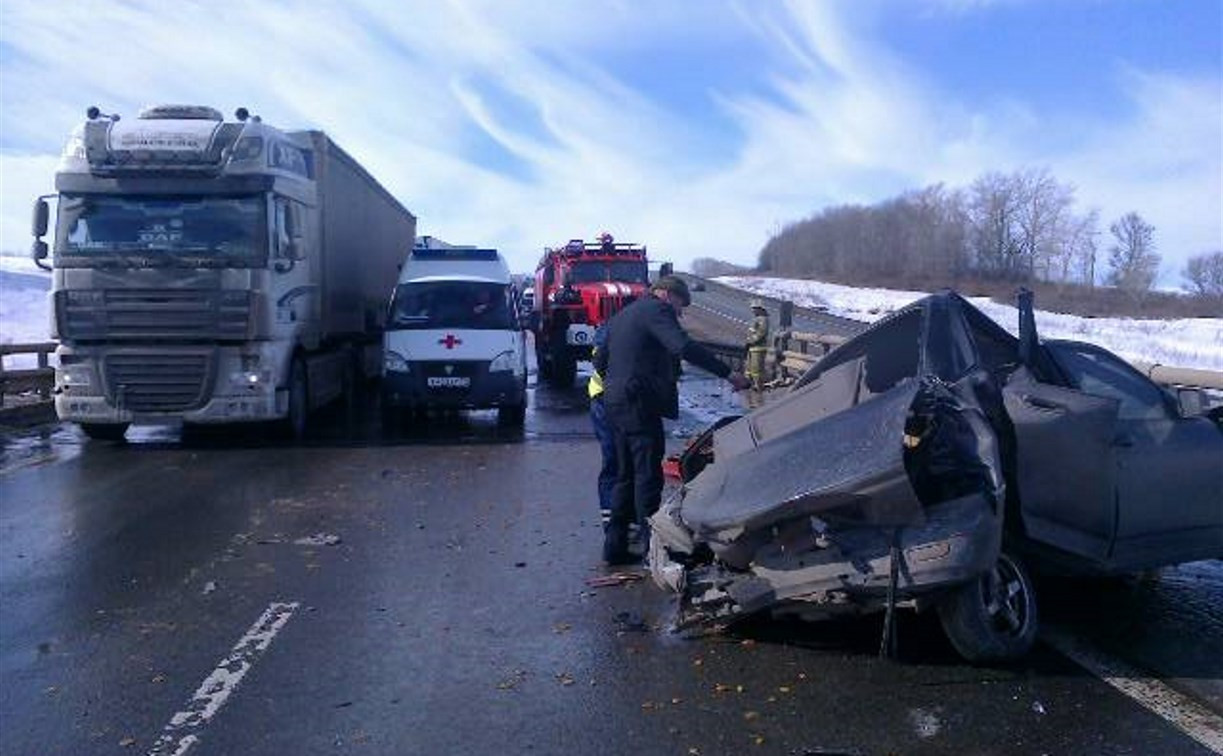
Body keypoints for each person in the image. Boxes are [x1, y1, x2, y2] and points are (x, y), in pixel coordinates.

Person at [594, 275, 751, 565]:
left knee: (625, 474)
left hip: (613, 401)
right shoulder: (656, 310)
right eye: (680, 306)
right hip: (638, 402)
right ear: (666, 295)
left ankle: (614, 548)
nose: (679, 313)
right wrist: (728, 373)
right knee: (647, 475)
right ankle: (652, 550)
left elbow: (599, 361)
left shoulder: (624, 315)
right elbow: (683, 347)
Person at [587, 322, 616, 527]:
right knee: (615, 463)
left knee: (614, 462)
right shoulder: (612, 330)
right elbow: (600, 362)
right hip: (606, 400)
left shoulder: (611, 327)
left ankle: (615, 525)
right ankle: (613, 525)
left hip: (604, 400)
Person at [745, 299, 770, 389]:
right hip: (752, 348)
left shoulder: (763, 319)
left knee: (757, 369)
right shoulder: (756, 319)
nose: (752, 310)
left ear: (760, 309)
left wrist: (751, 341)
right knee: (749, 368)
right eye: (752, 308)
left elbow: (761, 333)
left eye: (754, 308)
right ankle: (750, 385)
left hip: (758, 348)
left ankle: (759, 386)